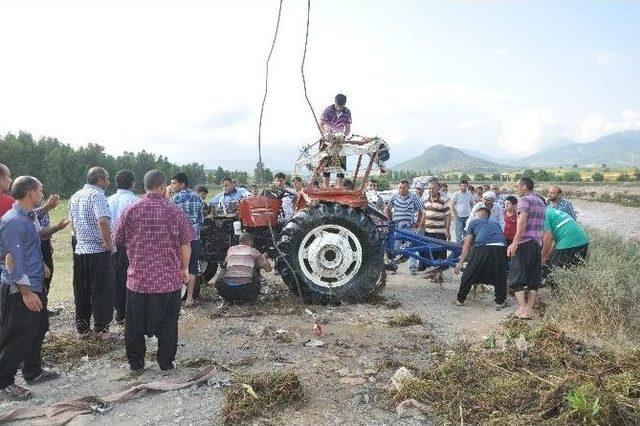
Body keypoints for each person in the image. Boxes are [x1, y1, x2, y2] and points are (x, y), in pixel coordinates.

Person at [115, 170, 194, 372]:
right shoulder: (175, 211)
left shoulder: (131, 209)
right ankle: (166, 363)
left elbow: (118, 240)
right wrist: (185, 268)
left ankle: (136, 364)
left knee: (134, 326)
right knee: (168, 325)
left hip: (139, 280)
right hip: (168, 281)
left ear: (145, 186)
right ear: (162, 186)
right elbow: (186, 243)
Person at [0, 176, 59, 400]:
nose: (42, 194)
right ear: (30, 193)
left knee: (38, 327)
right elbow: (11, 260)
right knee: (17, 335)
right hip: (20, 289)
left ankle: (32, 371)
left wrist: (41, 264)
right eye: (40, 190)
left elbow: (29, 246)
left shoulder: (29, 216)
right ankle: (4, 382)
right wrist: (25, 292)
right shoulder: (14, 221)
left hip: (34, 282)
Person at [68, 167, 115, 339]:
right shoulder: (98, 195)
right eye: (107, 179)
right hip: (97, 250)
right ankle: (102, 330)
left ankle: (83, 328)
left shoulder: (75, 196)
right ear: (100, 180)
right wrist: (109, 244)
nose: (108, 183)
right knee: (102, 290)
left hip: (80, 250)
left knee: (82, 290)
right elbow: (103, 221)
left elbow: (72, 224)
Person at [507, 177, 546, 319]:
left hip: (524, 242)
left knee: (516, 276)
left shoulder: (524, 200)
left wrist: (515, 242)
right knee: (533, 278)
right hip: (537, 243)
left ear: (524, 187)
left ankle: (522, 309)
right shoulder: (541, 202)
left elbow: (522, 221)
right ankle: (529, 310)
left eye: (518, 185)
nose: (517, 188)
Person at [454, 207, 509, 310]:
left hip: (484, 247)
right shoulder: (495, 224)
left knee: (469, 273)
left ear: (479, 215)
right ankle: (500, 302)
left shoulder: (474, 222)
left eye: (475, 215)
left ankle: (460, 299)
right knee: (500, 274)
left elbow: (467, 245)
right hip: (501, 247)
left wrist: (461, 262)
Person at [107, 170, 138, 325]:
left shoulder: (108, 199)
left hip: (110, 244)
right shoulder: (135, 201)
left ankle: (116, 310)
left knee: (114, 278)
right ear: (132, 183)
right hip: (128, 246)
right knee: (128, 279)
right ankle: (125, 312)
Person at [168, 172, 203, 307]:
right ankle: (189, 298)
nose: (171, 186)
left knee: (177, 266)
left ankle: (177, 297)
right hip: (194, 238)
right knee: (192, 267)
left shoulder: (174, 200)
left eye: (174, 183)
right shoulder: (198, 198)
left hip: (178, 239)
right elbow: (201, 220)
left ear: (182, 184)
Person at [215, 232, 272, 303]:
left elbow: (224, 265)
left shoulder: (231, 251)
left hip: (226, 291)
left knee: (225, 270)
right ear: (250, 241)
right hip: (247, 291)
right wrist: (264, 258)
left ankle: (231, 298)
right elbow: (268, 269)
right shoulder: (254, 252)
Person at [419, 181, 451, 282]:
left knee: (440, 254)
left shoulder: (444, 200)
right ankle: (433, 274)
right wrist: (420, 225)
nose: (431, 190)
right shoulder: (426, 200)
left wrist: (447, 229)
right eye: (429, 188)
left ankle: (439, 276)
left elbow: (448, 216)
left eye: (433, 188)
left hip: (439, 231)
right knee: (429, 252)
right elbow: (424, 214)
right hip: (428, 231)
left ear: (438, 189)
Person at [541, 205, 589, 273]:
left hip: (569, 241)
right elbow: (556, 239)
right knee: (573, 271)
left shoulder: (543, 214)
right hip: (583, 241)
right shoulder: (551, 211)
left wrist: (542, 258)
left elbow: (548, 238)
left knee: (553, 274)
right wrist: (547, 257)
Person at [320, 93, 352, 189]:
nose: (339, 108)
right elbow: (321, 125)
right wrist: (326, 134)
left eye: (341, 106)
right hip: (328, 139)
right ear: (335, 102)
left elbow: (347, 128)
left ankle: (339, 187)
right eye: (338, 106)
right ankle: (325, 188)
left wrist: (344, 135)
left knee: (341, 164)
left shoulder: (347, 112)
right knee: (326, 163)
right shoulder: (328, 110)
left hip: (339, 140)